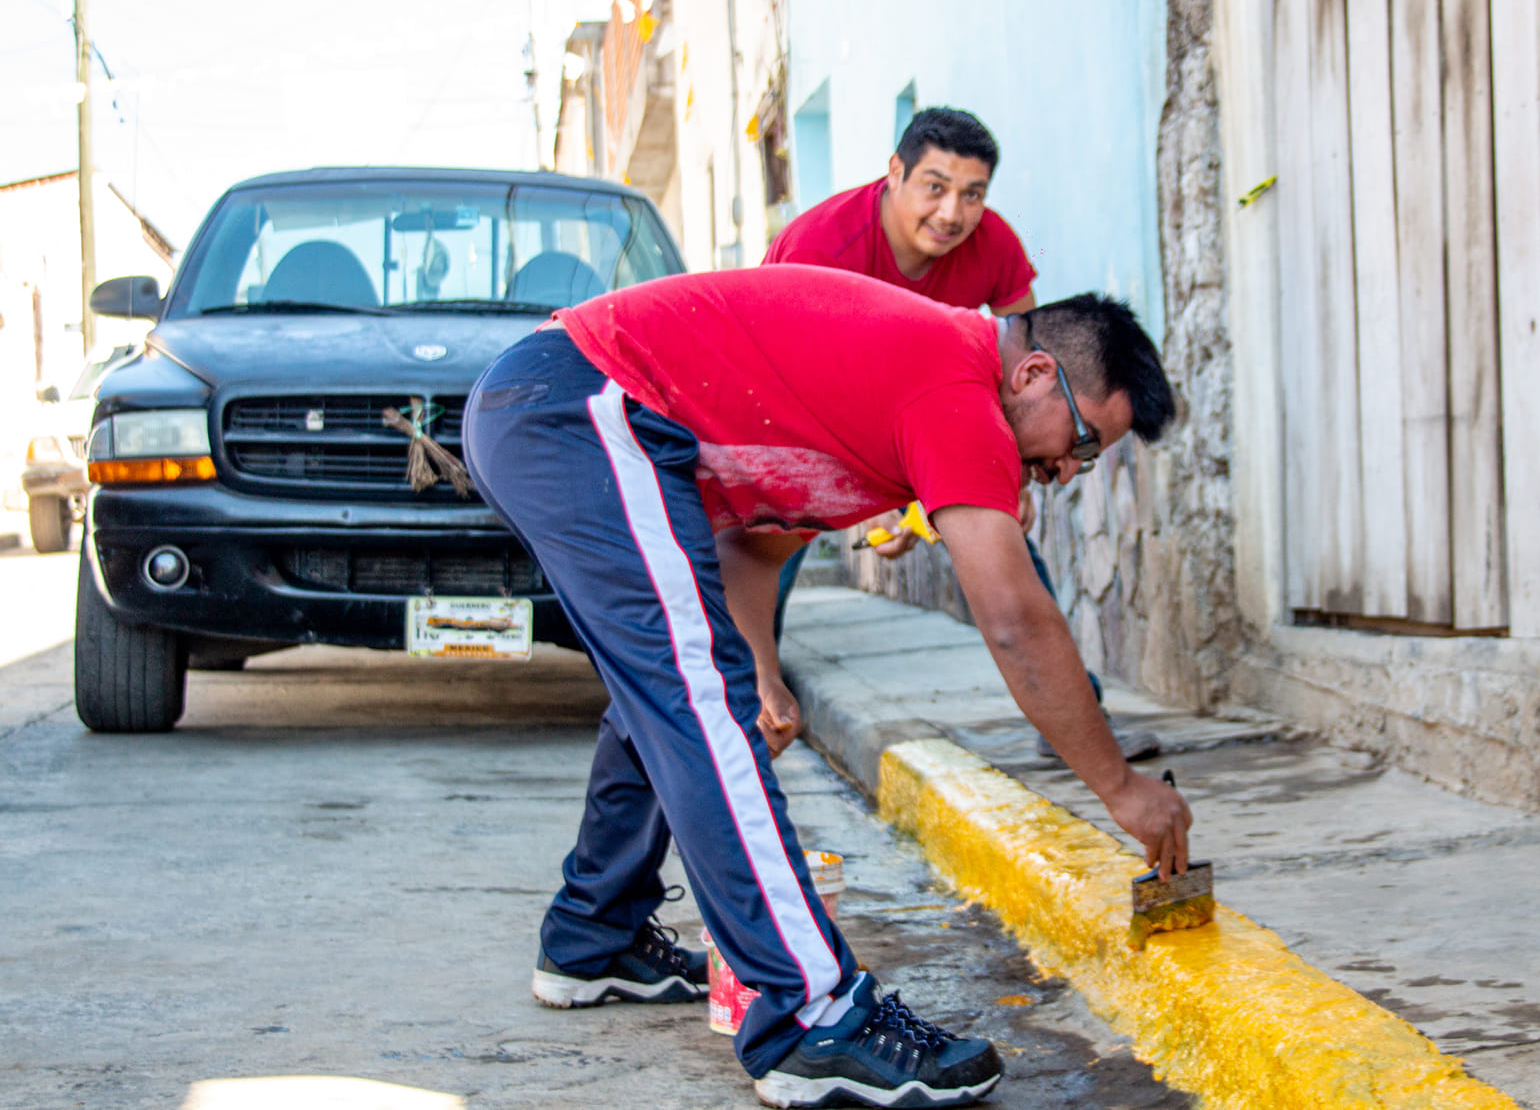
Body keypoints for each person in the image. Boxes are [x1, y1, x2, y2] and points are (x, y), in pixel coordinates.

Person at [462, 265, 1193, 1108]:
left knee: (679, 693)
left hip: (554, 407)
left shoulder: (896, 396)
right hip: (581, 402)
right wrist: (1122, 787)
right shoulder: (957, 387)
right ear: (1033, 375)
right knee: (700, 704)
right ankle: (815, 1015)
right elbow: (1016, 622)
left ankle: (596, 934)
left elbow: (753, 550)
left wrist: (764, 673)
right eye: (1085, 441)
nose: (1069, 471)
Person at [765, 106, 1158, 761]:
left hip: (929, 411)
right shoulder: (819, 248)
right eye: (935, 186)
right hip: (799, 417)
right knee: (764, 550)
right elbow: (800, 386)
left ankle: (1072, 718)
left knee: (1003, 543)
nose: (952, 212)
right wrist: (889, 495)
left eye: (972, 194)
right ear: (895, 173)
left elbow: (1033, 351)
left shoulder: (993, 243)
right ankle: (745, 692)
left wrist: (1020, 466)